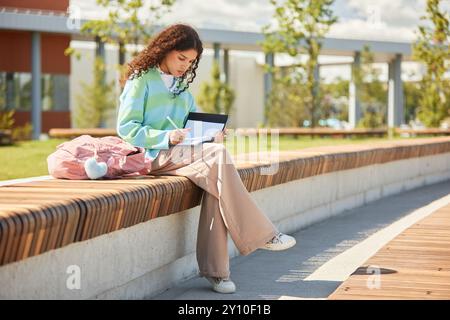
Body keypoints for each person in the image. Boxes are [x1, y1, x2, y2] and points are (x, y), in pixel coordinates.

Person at [117, 24, 296, 294]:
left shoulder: (182, 90)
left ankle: (217, 272)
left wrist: (212, 135)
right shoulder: (141, 79)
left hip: (179, 157)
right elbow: (127, 128)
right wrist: (166, 137)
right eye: (181, 58)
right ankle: (264, 235)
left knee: (216, 178)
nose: (185, 66)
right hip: (151, 156)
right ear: (165, 50)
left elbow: (193, 129)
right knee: (219, 159)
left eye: (191, 62)